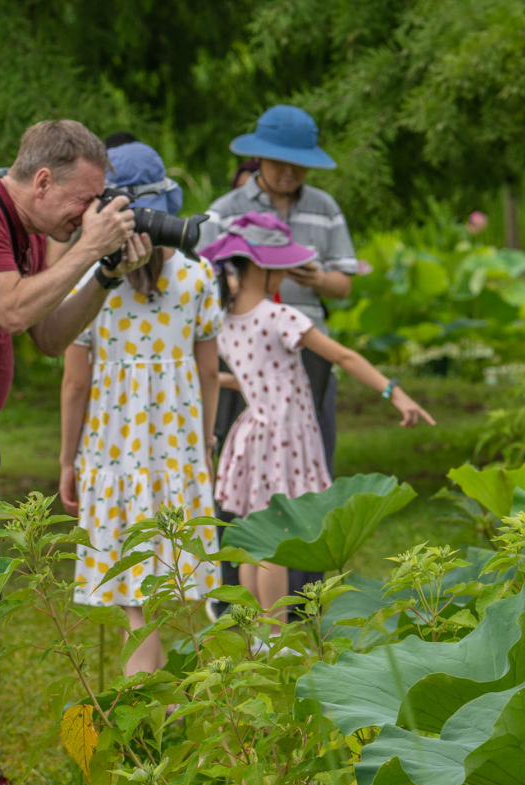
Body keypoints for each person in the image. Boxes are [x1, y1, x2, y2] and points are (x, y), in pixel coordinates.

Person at [0, 120, 150, 785]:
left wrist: (104, 272)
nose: (88, 215)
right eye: (83, 200)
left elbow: (46, 335)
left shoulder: (32, 234)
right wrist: (86, 249)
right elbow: (11, 311)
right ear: (42, 180)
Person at [198, 212, 434, 620]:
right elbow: (342, 355)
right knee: (276, 543)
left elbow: (231, 375)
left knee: (256, 539)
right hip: (284, 438)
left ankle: (260, 637)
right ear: (263, 267)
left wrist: (227, 382)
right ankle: (276, 636)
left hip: (253, 434)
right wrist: (394, 393)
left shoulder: (225, 321)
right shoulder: (281, 317)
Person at [58, 142, 222, 677]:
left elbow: (76, 385)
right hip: (176, 450)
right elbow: (206, 375)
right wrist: (206, 441)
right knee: (168, 590)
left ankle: (147, 712)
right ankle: (167, 711)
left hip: (114, 450)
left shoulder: (89, 285)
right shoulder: (198, 278)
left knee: (136, 600)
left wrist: (68, 460)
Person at [199, 104, 358, 605]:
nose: (288, 173)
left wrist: (314, 278)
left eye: (298, 164)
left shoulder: (324, 208)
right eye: (278, 163)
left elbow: (344, 283)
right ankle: (230, 597)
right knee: (239, 470)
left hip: (305, 346)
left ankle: (302, 597)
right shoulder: (225, 208)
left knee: (305, 472)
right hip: (242, 349)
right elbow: (204, 279)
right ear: (258, 158)